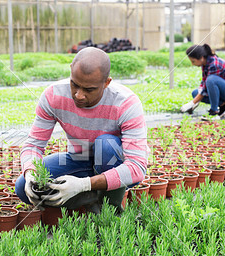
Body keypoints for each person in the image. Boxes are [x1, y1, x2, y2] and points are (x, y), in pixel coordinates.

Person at [15, 47, 148, 213]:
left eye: (89, 90)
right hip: (80, 158)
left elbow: (137, 167)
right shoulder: (53, 96)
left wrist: (83, 184)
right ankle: (91, 198)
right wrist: (30, 173)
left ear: (106, 83)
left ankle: (110, 210)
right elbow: (33, 145)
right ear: (71, 70)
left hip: (113, 161)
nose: (78, 95)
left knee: (106, 144)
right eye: (74, 85)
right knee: (23, 187)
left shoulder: (126, 103)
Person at [180, 44, 225, 120]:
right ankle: (224, 105)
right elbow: (204, 84)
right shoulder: (205, 63)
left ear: (201, 58)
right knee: (195, 93)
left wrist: (192, 103)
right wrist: (195, 102)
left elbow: (209, 84)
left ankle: (214, 112)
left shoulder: (214, 64)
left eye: (193, 61)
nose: (192, 64)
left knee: (211, 80)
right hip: (224, 92)